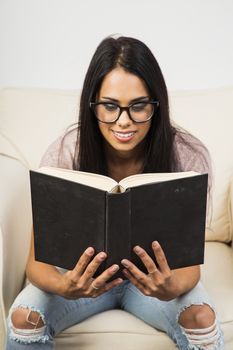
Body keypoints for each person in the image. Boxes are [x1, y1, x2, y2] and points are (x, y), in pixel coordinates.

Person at [6, 36, 224, 349]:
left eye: (138, 106)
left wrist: (167, 288)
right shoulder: (67, 151)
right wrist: (65, 286)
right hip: (82, 283)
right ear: (92, 105)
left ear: (156, 104)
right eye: (110, 106)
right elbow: (36, 263)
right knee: (23, 320)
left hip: (152, 285)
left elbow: (189, 271)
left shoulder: (188, 156)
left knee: (202, 321)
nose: (124, 122)